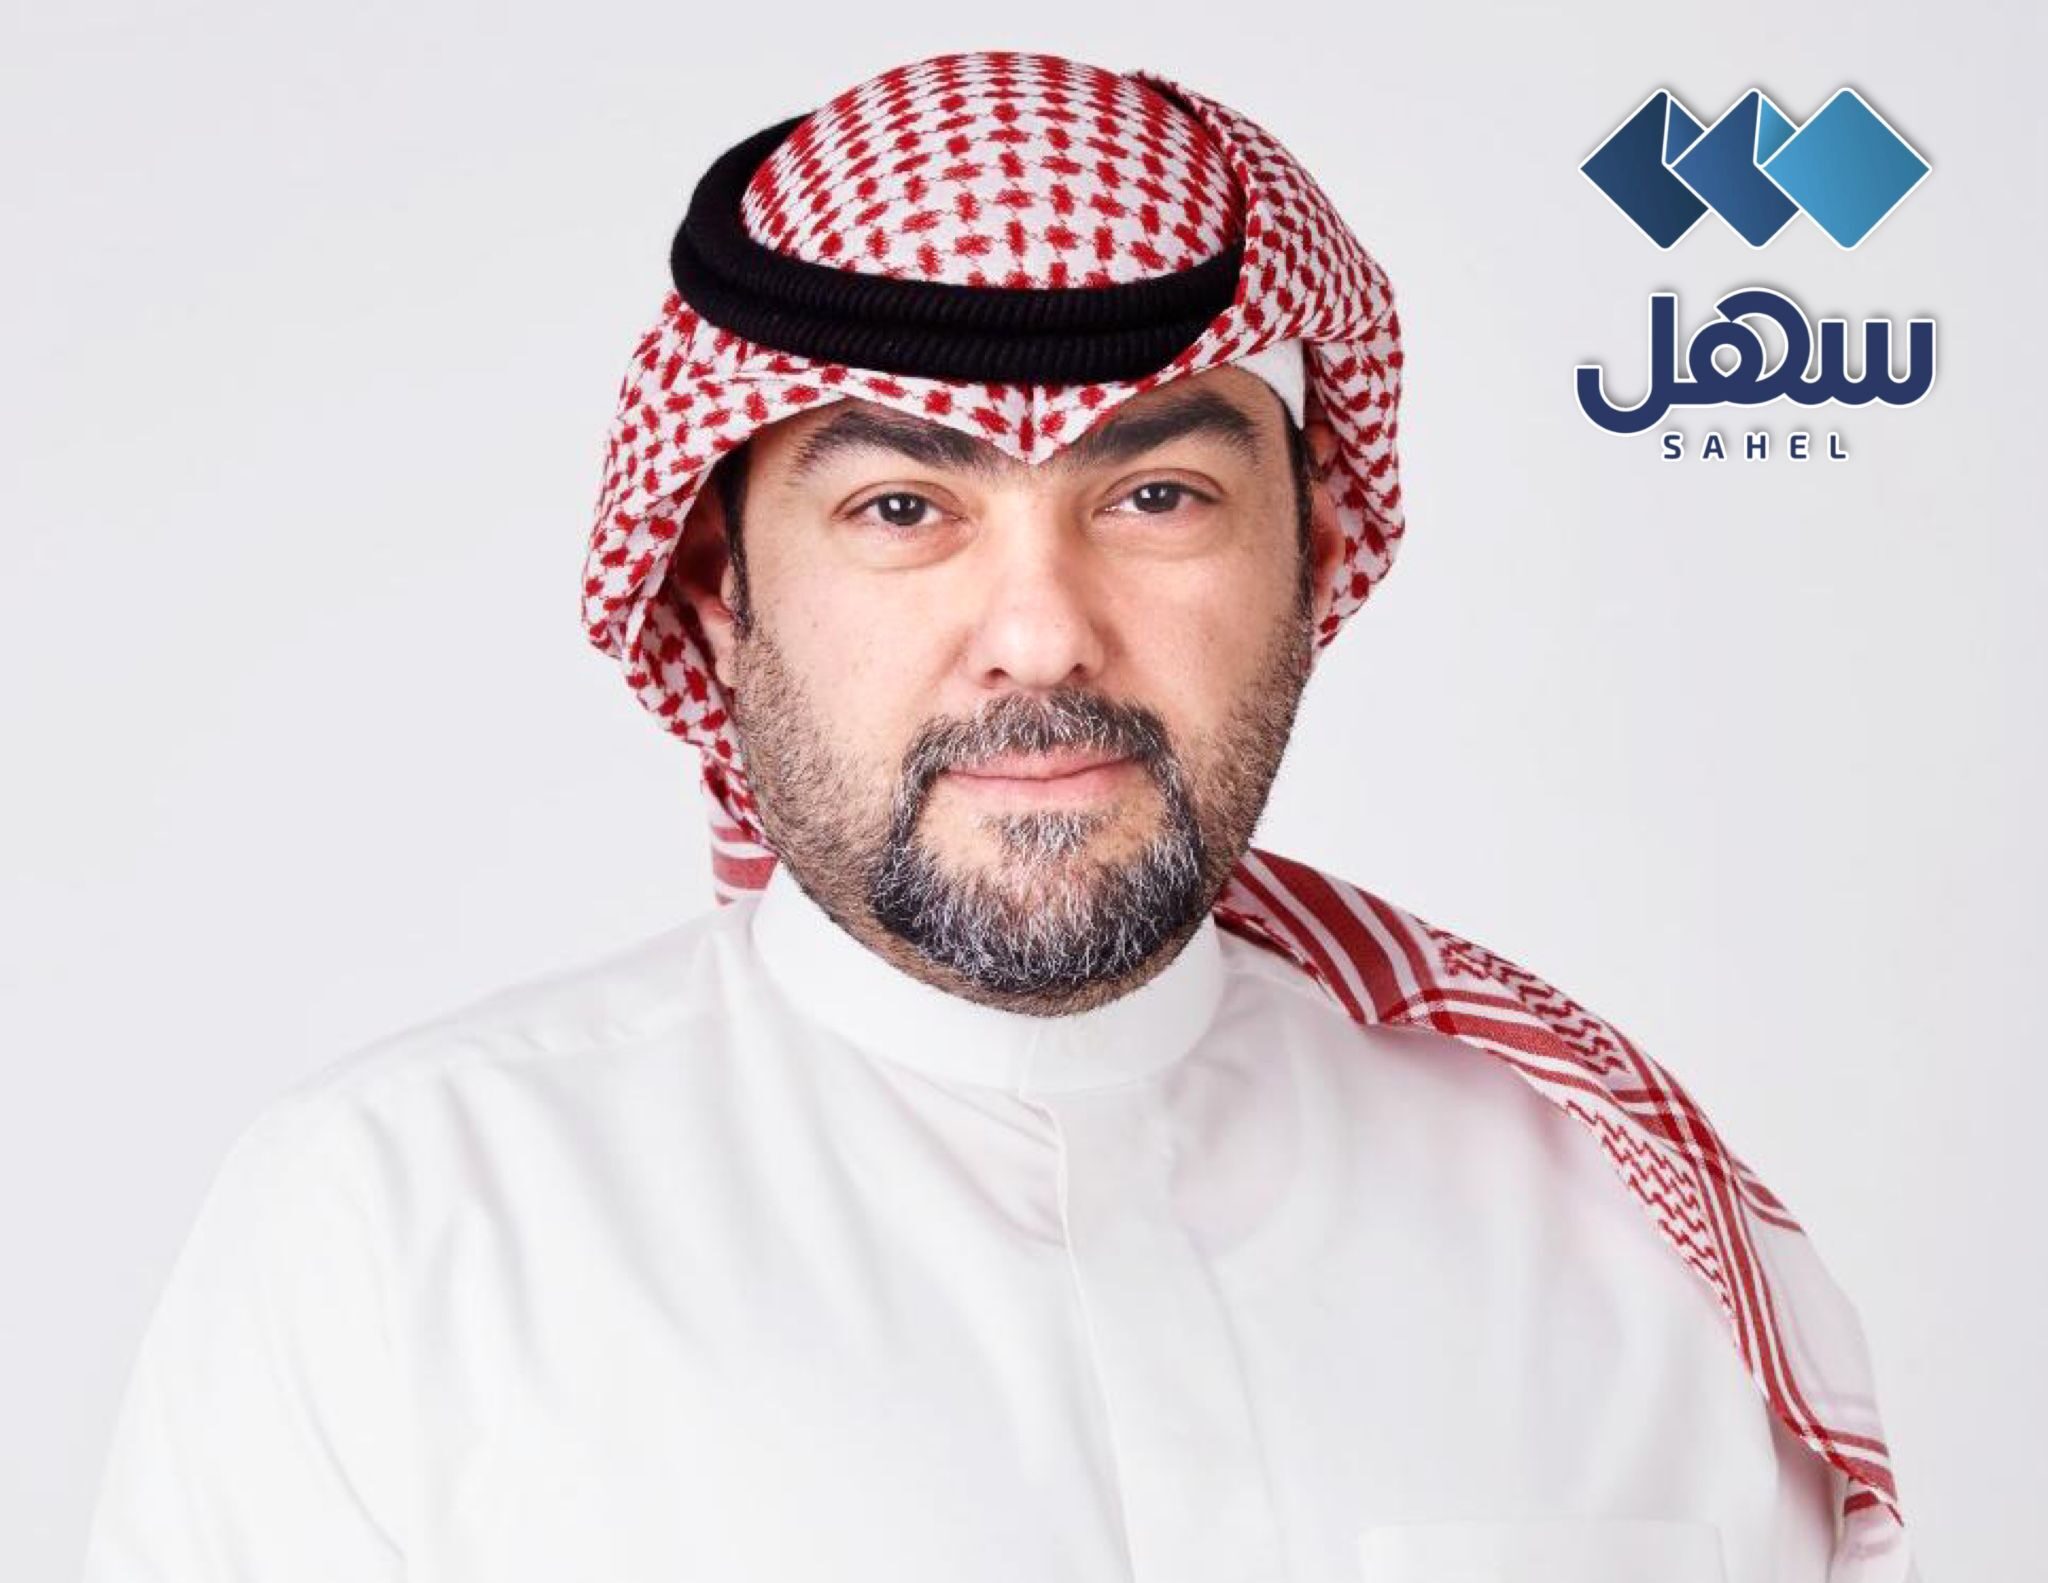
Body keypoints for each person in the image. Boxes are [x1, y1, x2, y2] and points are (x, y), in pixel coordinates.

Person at [80, 50, 1916, 1583]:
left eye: (1156, 498)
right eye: (904, 512)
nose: (1039, 634)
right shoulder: (408, 1232)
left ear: (1312, 551)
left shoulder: (1612, 1234)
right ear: (718, 589)